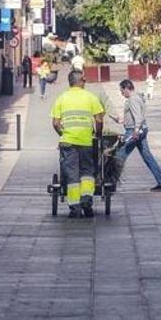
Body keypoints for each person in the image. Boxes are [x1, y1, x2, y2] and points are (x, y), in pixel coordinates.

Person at [51, 70, 105, 218]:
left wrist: (64, 134)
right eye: (84, 80)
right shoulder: (90, 97)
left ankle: (74, 208)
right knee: (87, 173)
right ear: (80, 81)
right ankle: (87, 202)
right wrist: (98, 135)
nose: (85, 82)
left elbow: (55, 123)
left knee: (72, 175)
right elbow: (99, 120)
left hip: (68, 143)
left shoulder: (61, 98)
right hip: (86, 142)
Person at [110, 80, 161, 191]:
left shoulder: (133, 99)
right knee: (147, 157)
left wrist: (136, 131)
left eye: (122, 91)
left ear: (127, 88)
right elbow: (134, 116)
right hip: (139, 129)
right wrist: (120, 120)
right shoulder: (137, 98)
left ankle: (111, 183)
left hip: (134, 131)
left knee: (120, 154)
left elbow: (137, 116)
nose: (122, 94)